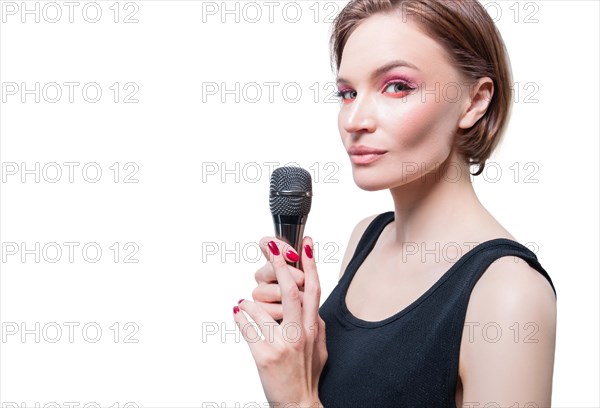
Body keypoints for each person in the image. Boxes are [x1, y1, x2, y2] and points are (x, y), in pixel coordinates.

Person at [232, 0, 557, 406]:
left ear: (474, 101)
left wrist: (297, 398)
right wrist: (301, 356)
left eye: (397, 86)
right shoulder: (365, 239)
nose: (354, 121)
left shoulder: (509, 294)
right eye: (347, 92)